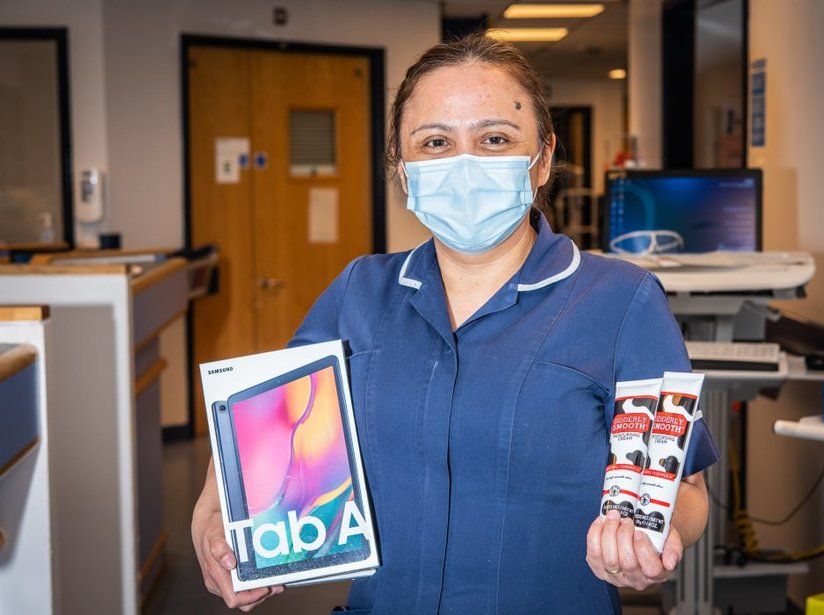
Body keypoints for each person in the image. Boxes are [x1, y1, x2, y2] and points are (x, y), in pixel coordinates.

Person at [191, 34, 719, 614]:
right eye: (436, 142)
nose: (465, 165)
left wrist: (656, 536)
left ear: (542, 158)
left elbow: (688, 488)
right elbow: (251, 435)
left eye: (495, 139)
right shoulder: (361, 293)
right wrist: (216, 526)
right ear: (402, 167)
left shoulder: (621, 300)